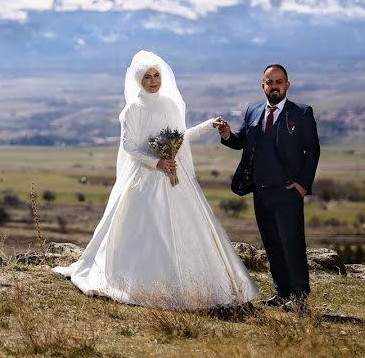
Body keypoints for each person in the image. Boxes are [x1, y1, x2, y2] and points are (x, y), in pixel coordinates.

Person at [52, 50, 259, 309]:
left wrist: (208, 125)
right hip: (145, 180)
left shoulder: (170, 104)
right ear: (139, 80)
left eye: (156, 75)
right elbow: (129, 146)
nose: (153, 81)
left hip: (174, 177)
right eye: (147, 76)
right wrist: (157, 162)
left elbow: (179, 138)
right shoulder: (132, 109)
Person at [216, 64, 320, 308]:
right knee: (272, 244)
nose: (274, 86)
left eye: (279, 81)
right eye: (269, 82)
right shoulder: (253, 111)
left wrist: (303, 185)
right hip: (260, 191)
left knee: (292, 244)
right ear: (263, 85)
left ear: (287, 85)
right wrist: (227, 134)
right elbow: (241, 142)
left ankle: (300, 297)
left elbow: (312, 150)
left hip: (288, 192)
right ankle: (282, 292)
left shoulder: (301, 113)